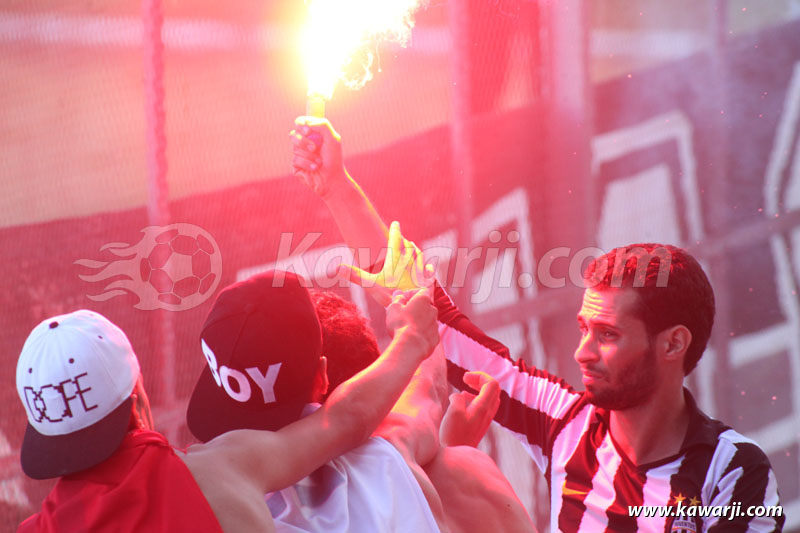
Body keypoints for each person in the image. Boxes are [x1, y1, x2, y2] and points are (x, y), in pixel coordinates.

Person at [289, 117, 785, 532]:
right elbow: (438, 324)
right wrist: (336, 188)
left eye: (607, 335)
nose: (582, 352)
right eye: (584, 328)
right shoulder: (565, 424)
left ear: (674, 343)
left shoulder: (736, 471)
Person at [15, 272, 440, 532]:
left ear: (44, 437)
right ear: (137, 396)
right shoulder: (221, 471)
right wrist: (412, 339)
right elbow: (347, 419)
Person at [186, 269, 535, 532]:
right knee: (460, 468)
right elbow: (426, 387)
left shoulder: (208, 488)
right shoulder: (389, 451)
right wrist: (411, 304)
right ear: (322, 379)